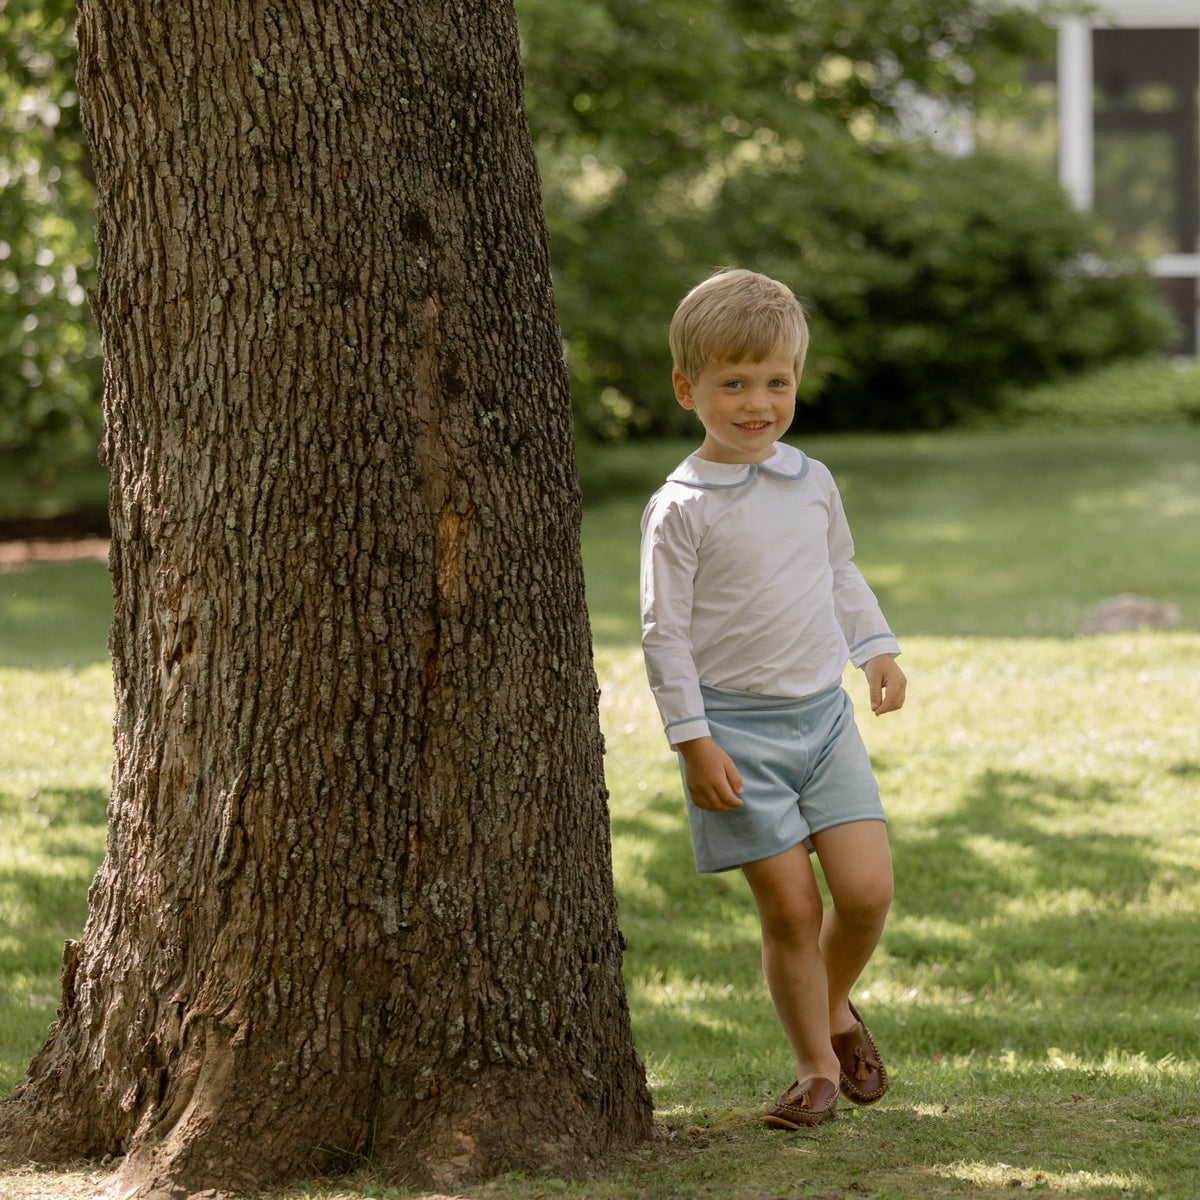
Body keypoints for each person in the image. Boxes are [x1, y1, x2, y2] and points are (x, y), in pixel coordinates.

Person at [639, 268, 906, 1129]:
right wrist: (692, 740)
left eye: (776, 382)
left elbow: (839, 572)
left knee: (864, 893)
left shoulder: (812, 479)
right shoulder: (679, 509)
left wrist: (876, 651)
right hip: (734, 734)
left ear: (796, 379)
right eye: (734, 383)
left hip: (823, 721)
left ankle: (833, 1007)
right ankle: (814, 1067)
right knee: (791, 906)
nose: (758, 403)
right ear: (689, 389)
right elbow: (663, 635)